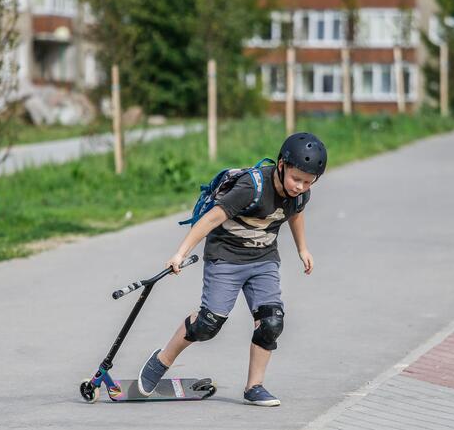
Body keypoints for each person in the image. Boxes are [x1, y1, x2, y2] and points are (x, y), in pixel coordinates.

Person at [138, 132, 327, 406]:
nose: (300, 186)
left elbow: (295, 214)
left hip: (263, 260)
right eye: (296, 178)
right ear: (282, 164)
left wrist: (303, 249)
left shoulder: (299, 195)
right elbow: (212, 218)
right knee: (207, 325)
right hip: (225, 257)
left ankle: (255, 386)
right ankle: (161, 360)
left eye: (308, 182)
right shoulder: (253, 187)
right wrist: (180, 253)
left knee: (272, 322)